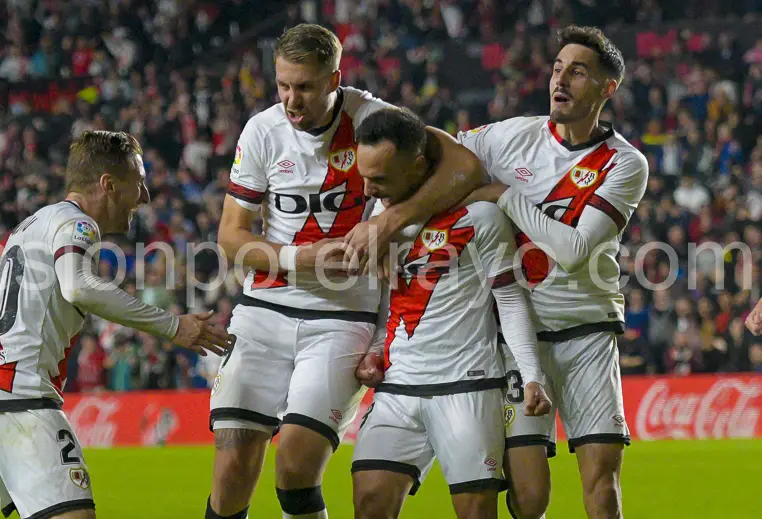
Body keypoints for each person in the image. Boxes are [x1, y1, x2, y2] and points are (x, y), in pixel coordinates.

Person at [344, 26, 648, 519]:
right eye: (556, 68)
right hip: (513, 335)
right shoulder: (509, 137)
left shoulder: (625, 163)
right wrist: (390, 218)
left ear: (607, 88)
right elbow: (427, 148)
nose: (561, 79)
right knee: (528, 498)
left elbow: (572, 250)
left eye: (578, 71)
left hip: (586, 330)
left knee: (601, 478)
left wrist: (501, 196)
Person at [0, 130, 234, 519]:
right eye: (139, 183)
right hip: (25, 398)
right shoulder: (77, 225)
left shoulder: (20, 233)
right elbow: (78, 286)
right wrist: (172, 326)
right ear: (109, 185)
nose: (145, 196)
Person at [208, 23, 395, 519]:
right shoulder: (262, 130)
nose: (291, 99)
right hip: (263, 311)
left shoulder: (376, 122)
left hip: (341, 317)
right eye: (283, 85)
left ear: (335, 78)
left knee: (294, 462)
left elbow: (442, 168)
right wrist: (297, 258)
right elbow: (231, 236)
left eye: (305, 87)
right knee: (230, 474)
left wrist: (386, 226)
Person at [349, 108, 552, 519]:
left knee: (477, 512)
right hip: (399, 387)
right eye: (364, 177)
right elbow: (391, 300)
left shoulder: (480, 217)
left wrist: (531, 375)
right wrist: (374, 350)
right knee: (369, 502)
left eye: (381, 179)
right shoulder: (378, 224)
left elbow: (510, 300)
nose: (369, 191)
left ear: (418, 165)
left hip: (466, 386)